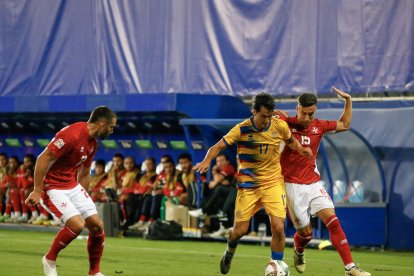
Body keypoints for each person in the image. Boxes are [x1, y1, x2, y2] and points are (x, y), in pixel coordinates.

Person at [193, 92, 312, 274]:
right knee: (239, 231)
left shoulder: (279, 125)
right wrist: (207, 161)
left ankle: (275, 266)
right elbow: (217, 146)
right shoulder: (242, 129)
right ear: (254, 111)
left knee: (279, 226)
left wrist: (302, 150)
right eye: (263, 116)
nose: (266, 120)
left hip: (273, 182)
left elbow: (291, 141)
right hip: (248, 186)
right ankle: (229, 252)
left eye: (270, 116)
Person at [278, 87, 371, 276]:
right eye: (303, 113)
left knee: (333, 221)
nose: (307, 118)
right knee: (306, 234)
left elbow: (344, 124)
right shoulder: (285, 123)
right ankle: (299, 248)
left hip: (313, 183)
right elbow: (265, 120)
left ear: (315, 111)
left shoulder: (319, 126)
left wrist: (348, 101)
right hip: (291, 186)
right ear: (297, 109)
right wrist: (275, 115)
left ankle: (350, 268)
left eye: (311, 114)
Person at [25, 105, 117, 276]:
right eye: (111, 127)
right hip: (51, 187)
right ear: (103, 124)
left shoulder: (92, 144)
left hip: (72, 186)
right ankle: (49, 259)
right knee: (77, 225)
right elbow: (43, 158)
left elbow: (84, 173)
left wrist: (84, 198)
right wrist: (37, 190)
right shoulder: (72, 135)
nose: (112, 131)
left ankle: (94, 272)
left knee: (97, 226)